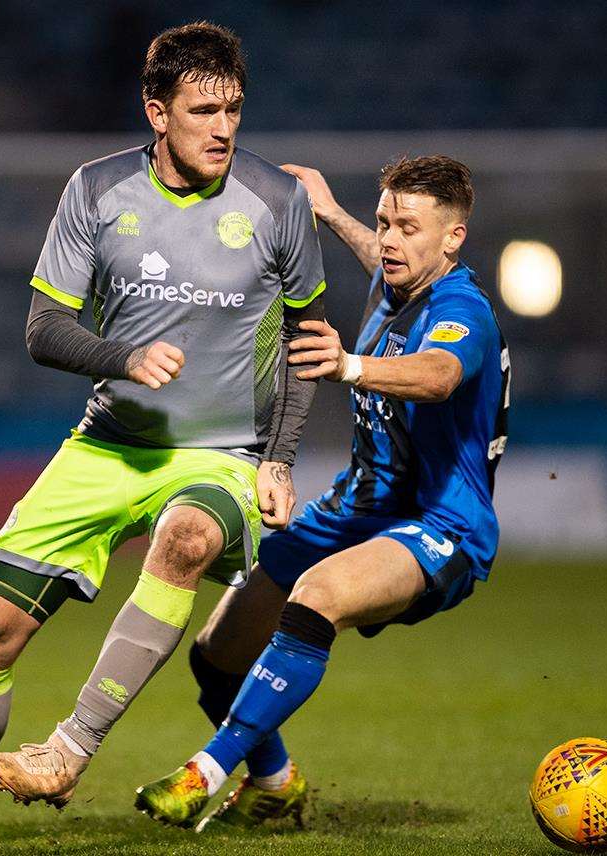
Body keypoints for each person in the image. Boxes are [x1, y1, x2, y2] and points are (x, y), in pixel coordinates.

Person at [0, 21, 327, 853]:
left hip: (223, 453)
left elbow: (309, 340)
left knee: (188, 536)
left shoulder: (278, 202)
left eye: (234, 108)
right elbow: (44, 328)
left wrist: (279, 456)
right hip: (107, 444)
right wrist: (122, 356)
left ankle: (70, 748)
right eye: (203, 110)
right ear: (157, 112)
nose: (224, 128)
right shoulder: (95, 191)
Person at [133, 155, 511, 831]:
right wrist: (334, 212)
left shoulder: (464, 310)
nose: (390, 240)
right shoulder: (396, 282)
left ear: (454, 237)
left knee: (318, 599)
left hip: (438, 523)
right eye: (384, 222)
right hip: (354, 510)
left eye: (409, 228)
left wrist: (349, 365)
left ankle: (206, 771)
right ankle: (275, 781)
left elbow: (439, 375)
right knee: (218, 658)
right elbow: (381, 257)